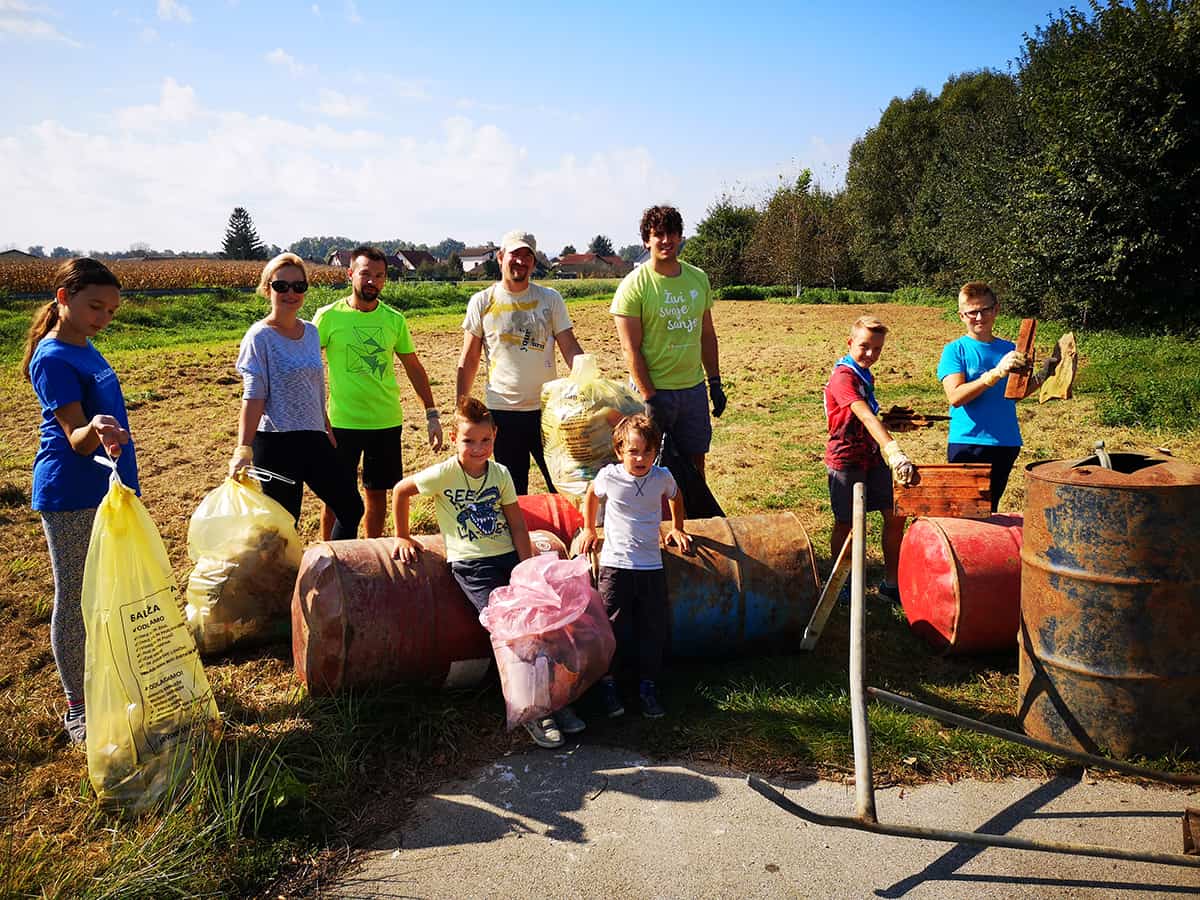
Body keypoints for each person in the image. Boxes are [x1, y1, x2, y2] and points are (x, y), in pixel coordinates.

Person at [390, 397, 585, 748]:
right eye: (468, 441)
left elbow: (517, 525)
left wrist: (528, 569)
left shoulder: (501, 474)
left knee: (540, 621)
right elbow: (401, 490)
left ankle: (557, 700)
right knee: (509, 629)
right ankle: (533, 710)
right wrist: (401, 535)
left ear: (495, 436)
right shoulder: (446, 473)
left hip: (508, 556)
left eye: (485, 440)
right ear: (453, 438)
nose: (478, 448)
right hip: (472, 565)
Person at [24, 258, 139, 745]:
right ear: (63, 298)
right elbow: (75, 437)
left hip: (108, 483)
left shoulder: (85, 348)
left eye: (111, 311)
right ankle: (78, 705)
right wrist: (96, 429)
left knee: (109, 590)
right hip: (71, 490)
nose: (103, 318)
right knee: (75, 595)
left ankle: (110, 681)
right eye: (95, 307)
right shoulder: (52, 357)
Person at [229, 252, 364, 538]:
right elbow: (254, 395)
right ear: (268, 289)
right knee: (285, 525)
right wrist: (243, 449)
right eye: (281, 286)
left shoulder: (312, 333)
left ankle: (336, 571)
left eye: (298, 286)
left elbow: (314, 383)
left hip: (313, 437)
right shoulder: (259, 337)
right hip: (276, 442)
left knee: (351, 507)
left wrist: (324, 423)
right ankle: (282, 581)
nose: (291, 293)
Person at [314, 245, 443, 539]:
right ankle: (330, 555)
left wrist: (432, 413)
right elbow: (306, 365)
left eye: (379, 275)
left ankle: (371, 551)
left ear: (385, 279)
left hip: (385, 422)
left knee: (377, 495)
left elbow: (413, 367)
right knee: (335, 496)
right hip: (340, 424)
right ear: (350, 274)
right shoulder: (328, 317)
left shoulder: (394, 319)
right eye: (365, 274)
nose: (372, 281)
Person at [578, 414, 691, 719]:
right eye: (632, 451)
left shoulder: (661, 477)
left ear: (656, 452)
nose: (640, 459)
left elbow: (676, 496)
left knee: (653, 627)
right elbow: (591, 494)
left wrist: (676, 527)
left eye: (647, 452)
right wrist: (589, 527)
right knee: (612, 626)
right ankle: (609, 683)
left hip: (650, 566)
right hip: (616, 566)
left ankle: (647, 685)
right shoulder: (610, 476)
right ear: (619, 451)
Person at [456, 230, 583, 495]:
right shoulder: (482, 302)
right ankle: (519, 537)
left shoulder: (551, 299)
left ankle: (572, 533)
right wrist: (461, 406)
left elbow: (569, 345)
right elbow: (469, 358)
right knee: (513, 491)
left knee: (563, 484)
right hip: (503, 411)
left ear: (534, 263)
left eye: (528, 257)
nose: (521, 262)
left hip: (547, 411)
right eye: (515, 255)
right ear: (501, 257)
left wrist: (589, 381)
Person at [611, 205, 725, 479]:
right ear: (646, 240)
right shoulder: (634, 285)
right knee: (645, 466)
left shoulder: (697, 278)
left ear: (680, 236)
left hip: (692, 390)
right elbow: (630, 348)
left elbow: (706, 335)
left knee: (695, 465)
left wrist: (715, 382)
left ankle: (693, 518)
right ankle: (652, 520)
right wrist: (650, 396)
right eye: (658, 234)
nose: (666, 240)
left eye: (672, 233)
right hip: (654, 392)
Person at [938, 282, 1058, 511]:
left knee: (990, 509)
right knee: (965, 510)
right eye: (972, 312)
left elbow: (1014, 395)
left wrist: (1044, 374)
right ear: (962, 315)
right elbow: (955, 396)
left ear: (996, 310)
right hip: (969, 442)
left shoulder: (1011, 348)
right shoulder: (955, 350)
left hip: (1006, 441)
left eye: (985, 309)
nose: (979, 317)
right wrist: (994, 374)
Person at [823, 316, 915, 604]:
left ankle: (891, 582)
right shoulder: (843, 377)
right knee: (847, 524)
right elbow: (862, 413)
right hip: (846, 460)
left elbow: (868, 416)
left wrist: (888, 425)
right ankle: (840, 582)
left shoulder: (864, 374)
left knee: (895, 514)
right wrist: (893, 450)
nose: (871, 354)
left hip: (872, 458)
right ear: (850, 343)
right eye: (864, 347)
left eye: (877, 349)